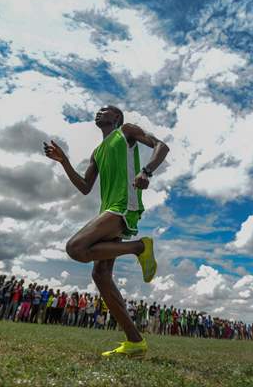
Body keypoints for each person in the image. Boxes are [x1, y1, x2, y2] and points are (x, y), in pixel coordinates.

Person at [44, 105, 169, 358]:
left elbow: (161, 146)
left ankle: (139, 247)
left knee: (76, 248)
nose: (100, 112)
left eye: (106, 110)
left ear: (117, 117)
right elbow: (85, 187)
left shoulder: (126, 131)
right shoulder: (97, 152)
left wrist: (147, 172)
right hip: (108, 210)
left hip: (124, 206)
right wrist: (64, 161)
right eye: (99, 111)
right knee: (101, 275)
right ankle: (135, 342)